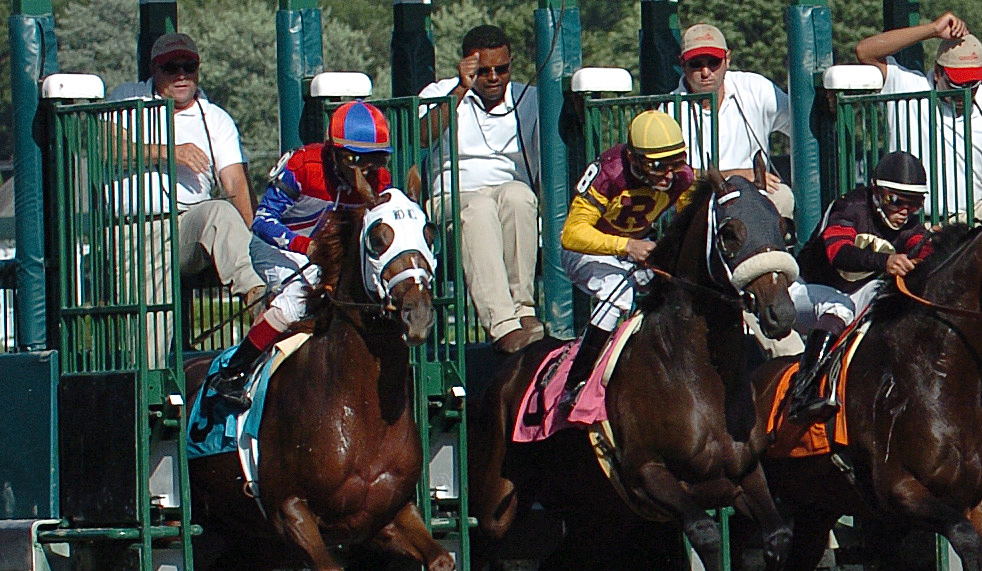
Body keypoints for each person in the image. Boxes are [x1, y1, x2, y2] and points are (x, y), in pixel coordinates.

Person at [201, 96, 395, 415]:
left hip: (326, 252)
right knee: (298, 296)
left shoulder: (381, 180)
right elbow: (261, 222)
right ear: (334, 150)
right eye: (356, 158)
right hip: (276, 246)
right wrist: (304, 247)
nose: (365, 168)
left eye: (374, 158)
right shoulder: (302, 165)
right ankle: (234, 372)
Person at [556, 111, 699, 424]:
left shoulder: (683, 177)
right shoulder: (608, 173)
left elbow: (688, 223)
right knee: (616, 293)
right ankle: (575, 384)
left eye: (677, 161)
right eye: (658, 165)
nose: (669, 174)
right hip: (590, 249)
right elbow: (571, 234)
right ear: (634, 159)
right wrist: (626, 246)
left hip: (635, 248)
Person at [781, 151, 937, 422]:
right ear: (876, 192)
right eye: (896, 200)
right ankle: (803, 393)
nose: (904, 212)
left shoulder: (909, 224)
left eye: (914, 204)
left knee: (895, 298)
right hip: (805, 289)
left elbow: (925, 252)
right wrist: (885, 261)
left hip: (851, 295)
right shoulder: (849, 207)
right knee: (839, 306)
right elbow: (838, 253)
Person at [109, 31, 261, 309]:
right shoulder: (129, 98)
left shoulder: (215, 118)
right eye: (171, 67)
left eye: (188, 67)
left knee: (220, 211)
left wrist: (257, 243)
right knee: (151, 335)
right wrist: (168, 152)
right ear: (155, 69)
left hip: (188, 227)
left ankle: (259, 295)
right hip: (139, 227)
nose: (181, 75)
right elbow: (108, 149)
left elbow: (235, 185)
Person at [419, 25, 542, 352]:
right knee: (480, 208)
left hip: (505, 191)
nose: (493, 77)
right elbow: (421, 136)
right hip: (450, 196)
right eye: (484, 70)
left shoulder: (528, 98)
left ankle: (524, 310)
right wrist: (460, 90)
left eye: (501, 69)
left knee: (520, 196)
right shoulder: (441, 92)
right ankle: (501, 325)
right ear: (466, 65)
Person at [858, 17, 982, 210]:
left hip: (971, 221)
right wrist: (933, 29)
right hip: (910, 221)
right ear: (937, 72)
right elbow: (865, 51)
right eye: (957, 83)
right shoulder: (907, 87)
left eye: (973, 84)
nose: (965, 93)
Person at [675, 23, 796, 221]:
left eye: (713, 62)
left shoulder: (756, 88)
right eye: (696, 63)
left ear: (727, 59)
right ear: (682, 64)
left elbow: (802, 132)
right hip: (699, 202)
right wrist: (736, 176)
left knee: (782, 196)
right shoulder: (669, 110)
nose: (705, 72)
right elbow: (674, 175)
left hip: (753, 196)